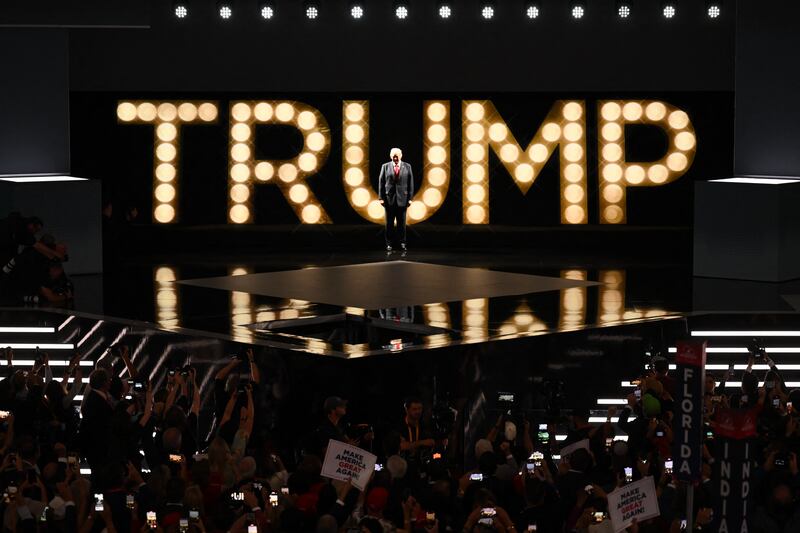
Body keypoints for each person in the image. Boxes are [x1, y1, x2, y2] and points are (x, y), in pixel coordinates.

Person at [378, 148, 414, 252]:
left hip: (402, 199)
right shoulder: (385, 167)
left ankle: (402, 243)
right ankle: (389, 244)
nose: (395, 157)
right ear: (390, 156)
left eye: (397, 155)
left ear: (401, 155)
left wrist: (410, 198)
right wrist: (381, 198)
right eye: (393, 155)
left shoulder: (407, 166)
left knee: (401, 224)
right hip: (389, 200)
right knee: (389, 224)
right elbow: (381, 182)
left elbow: (410, 183)